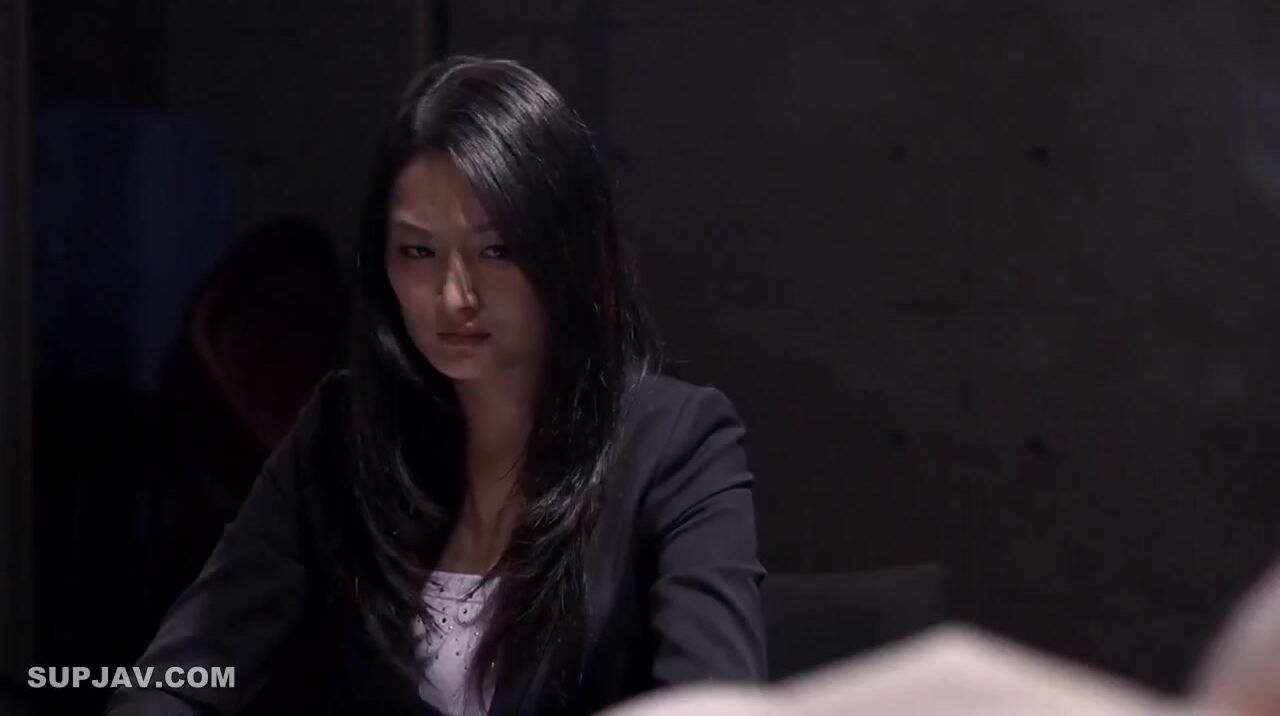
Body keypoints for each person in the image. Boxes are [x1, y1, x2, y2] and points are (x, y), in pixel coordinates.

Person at [106, 56, 766, 716]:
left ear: (569, 251)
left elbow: (714, 704)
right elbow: (176, 680)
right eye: (418, 252)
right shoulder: (341, 436)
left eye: (496, 250)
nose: (454, 296)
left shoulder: (676, 444)